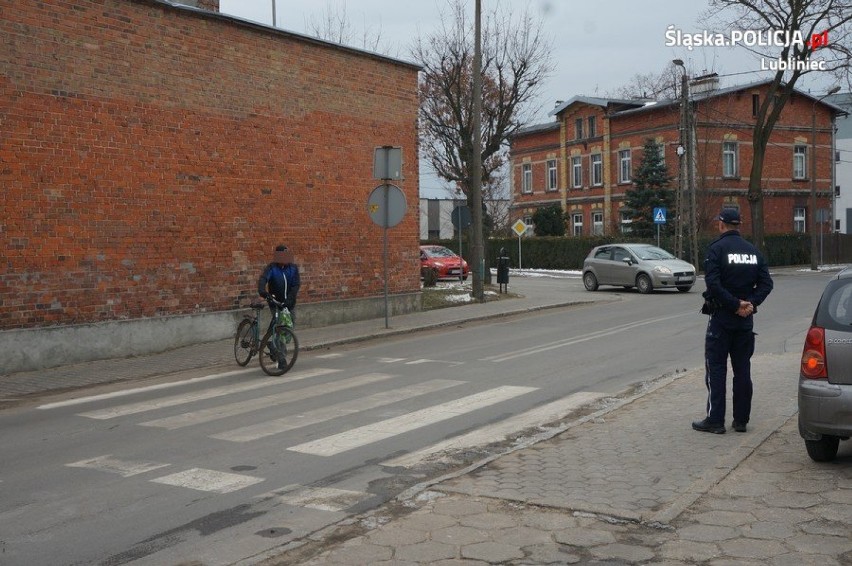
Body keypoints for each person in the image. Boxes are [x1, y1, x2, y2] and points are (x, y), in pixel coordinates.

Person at [692, 208, 773, 435]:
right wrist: (750, 304)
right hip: (745, 322)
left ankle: (715, 420)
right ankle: (741, 421)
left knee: (716, 370)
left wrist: (735, 305)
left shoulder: (716, 250)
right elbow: (766, 284)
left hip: (721, 320)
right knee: (742, 371)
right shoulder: (753, 252)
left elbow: (713, 285)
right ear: (738, 225)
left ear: (721, 224)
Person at [257, 244, 301, 325]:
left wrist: (290, 299)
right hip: (275, 302)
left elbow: (296, 285)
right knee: (279, 324)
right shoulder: (272, 268)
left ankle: (284, 336)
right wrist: (262, 292)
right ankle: (274, 336)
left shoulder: (293, 268)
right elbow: (263, 278)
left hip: (289, 303)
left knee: (290, 324)